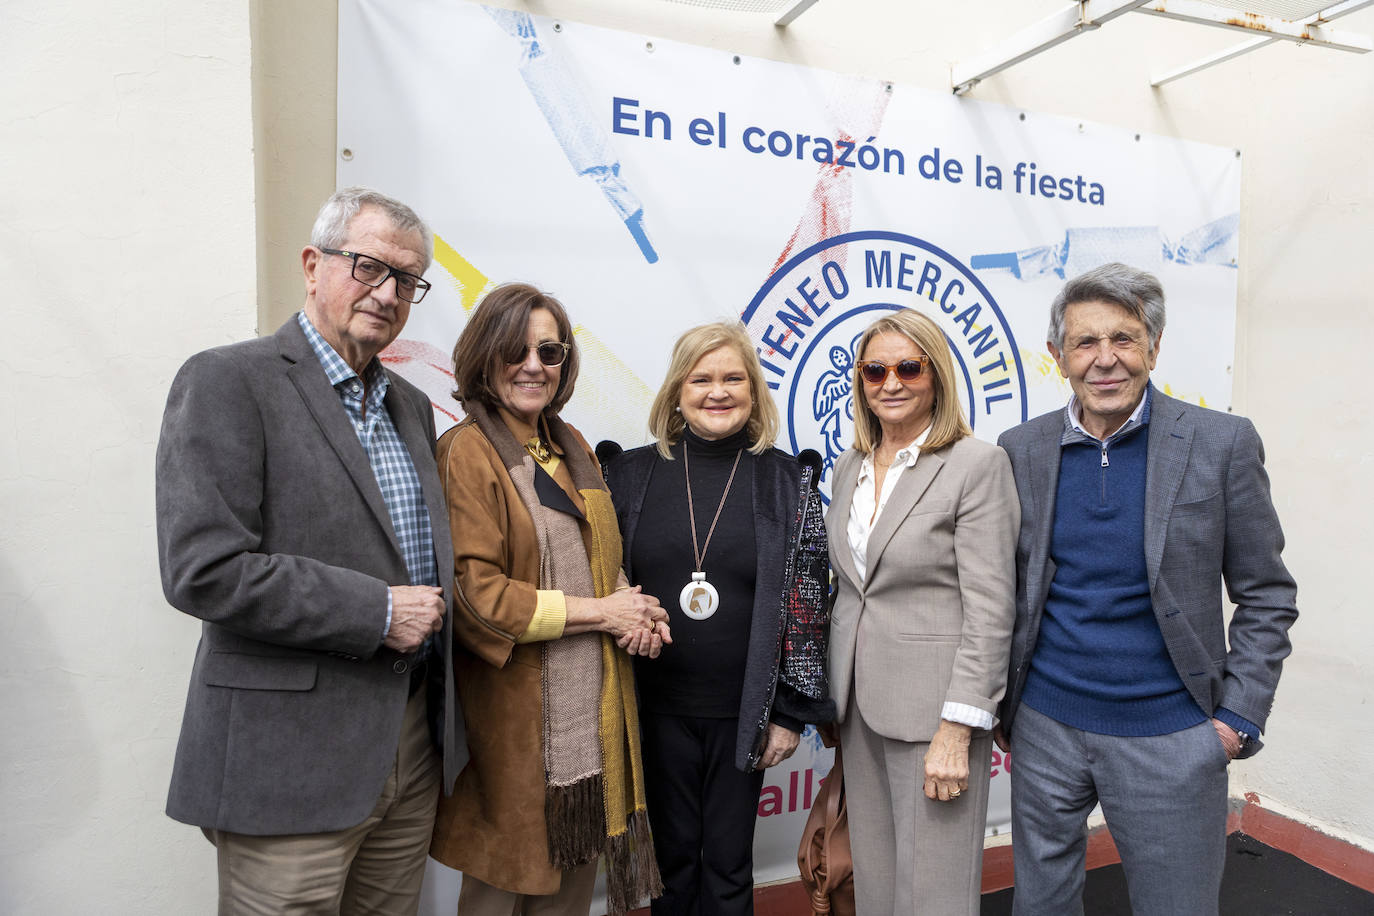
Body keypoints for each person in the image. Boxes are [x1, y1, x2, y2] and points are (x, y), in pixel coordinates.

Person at [155, 187, 466, 913]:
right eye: (368, 267)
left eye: (408, 281)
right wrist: (376, 610)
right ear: (312, 265)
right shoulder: (229, 381)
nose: (388, 294)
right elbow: (203, 568)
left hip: (411, 745)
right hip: (288, 758)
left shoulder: (410, 405)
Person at [993, 262, 1299, 915]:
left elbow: (1267, 591)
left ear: (1154, 346)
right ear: (1057, 356)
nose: (1106, 360)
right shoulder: (1021, 449)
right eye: (1085, 343)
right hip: (1045, 725)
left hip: (1172, 735)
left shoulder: (1221, 444)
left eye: (1124, 339)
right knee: (1040, 905)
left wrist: (1234, 722)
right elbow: (1009, 586)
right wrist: (1008, 709)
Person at [430, 282, 667, 916]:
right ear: (484, 356)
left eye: (551, 351)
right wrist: (602, 613)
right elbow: (476, 597)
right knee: (499, 894)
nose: (535, 365)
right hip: (513, 735)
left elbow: (602, 562)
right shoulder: (468, 452)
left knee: (569, 903)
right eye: (516, 349)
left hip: (593, 733)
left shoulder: (572, 447)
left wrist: (634, 615)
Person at [603, 320, 832, 916]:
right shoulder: (627, 475)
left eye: (734, 378)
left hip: (744, 714)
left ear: (754, 392)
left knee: (730, 867)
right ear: (677, 391)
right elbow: (603, 580)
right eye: (701, 378)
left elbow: (809, 605)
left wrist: (788, 713)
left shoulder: (787, 480)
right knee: (670, 868)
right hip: (651, 709)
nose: (718, 391)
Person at [826, 308, 1019, 915]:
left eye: (909, 367)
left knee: (935, 892)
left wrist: (958, 729)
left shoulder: (975, 465)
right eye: (875, 369)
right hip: (857, 705)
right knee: (877, 883)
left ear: (936, 375)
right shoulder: (850, 468)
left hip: (935, 715)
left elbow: (991, 610)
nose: (891, 382)